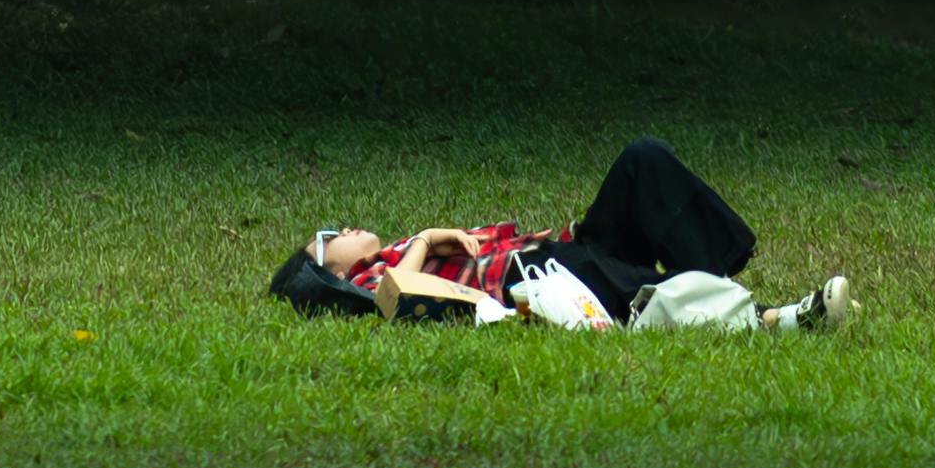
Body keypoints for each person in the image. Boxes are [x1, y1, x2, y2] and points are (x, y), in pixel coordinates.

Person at [270, 135, 851, 333]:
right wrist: (425, 236)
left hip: (556, 254)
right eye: (328, 237)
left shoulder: (393, 255)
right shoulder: (376, 281)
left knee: (641, 161)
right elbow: (404, 297)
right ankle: (773, 320)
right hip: (540, 282)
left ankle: (715, 282)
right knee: (627, 288)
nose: (342, 228)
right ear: (331, 272)